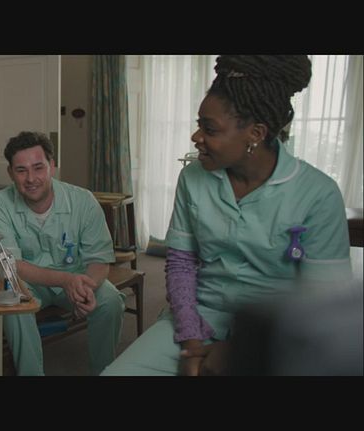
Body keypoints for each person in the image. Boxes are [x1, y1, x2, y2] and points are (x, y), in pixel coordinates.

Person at [102, 55, 353, 376]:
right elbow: (180, 264)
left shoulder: (317, 193)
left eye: (209, 129)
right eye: (199, 125)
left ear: (255, 133)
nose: (196, 136)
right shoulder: (193, 178)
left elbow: (323, 303)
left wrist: (236, 350)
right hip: (201, 315)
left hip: (279, 331)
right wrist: (191, 339)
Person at [0, 131, 125, 376]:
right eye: (21, 170)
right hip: (28, 283)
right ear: (10, 173)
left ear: (52, 165)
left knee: (111, 301)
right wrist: (64, 280)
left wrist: (86, 289)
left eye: (38, 168)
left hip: (78, 277)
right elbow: (11, 265)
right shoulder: (0, 203)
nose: (31, 179)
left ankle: (103, 371)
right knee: (12, 305)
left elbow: (99, 259)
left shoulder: (83, 201)